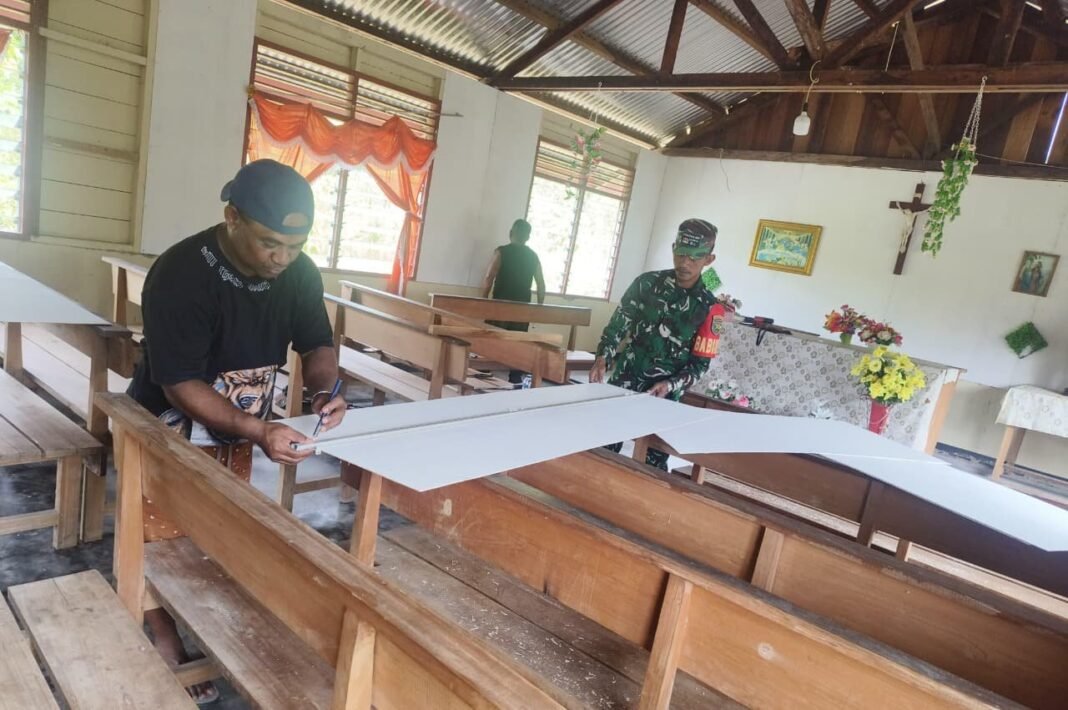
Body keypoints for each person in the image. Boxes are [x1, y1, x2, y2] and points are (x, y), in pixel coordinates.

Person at [127, 159, 347, 703]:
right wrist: (256, 428)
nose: (282, 258)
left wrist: (322, 391)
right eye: (270, 243)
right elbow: (180, 383)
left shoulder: (298, 273)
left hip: (244, 423)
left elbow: (316, 343)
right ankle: (164, 636)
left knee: (221, 527)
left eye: (295, 246)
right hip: (169, 421)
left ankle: (207, 621)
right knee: (161, 531)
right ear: (232, 218)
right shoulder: (181, 273)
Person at [590, 218, 722, 470]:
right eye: (681, 254)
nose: (685, 263)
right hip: (624, 380)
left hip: (664, 395)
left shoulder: (710, 307)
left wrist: (670, 384)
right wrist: (603, 356)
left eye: (694, 257)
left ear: (709, 259)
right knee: (601, 448)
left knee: (652, 465)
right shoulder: (646, 284)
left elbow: (700, 365)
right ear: (673, 248)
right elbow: (618, 324)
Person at [481, 218, 547, 384]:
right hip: (522, 307)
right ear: (528, 237)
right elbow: (541, 284)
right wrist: (539, 307)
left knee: (493, 335)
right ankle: (515, 374)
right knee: (519, 340)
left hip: (500, 304)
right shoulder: (533, 256)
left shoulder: (501, 252)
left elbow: (489, 277)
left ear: (511, 233)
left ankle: (484, 368)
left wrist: (483, 300)